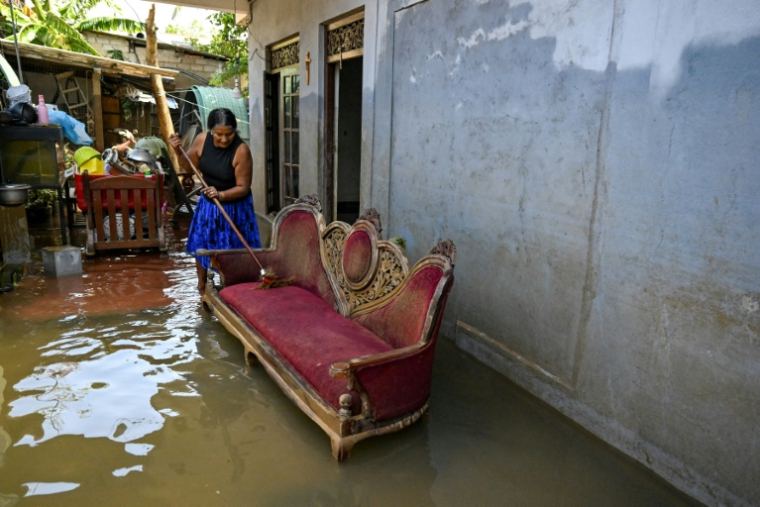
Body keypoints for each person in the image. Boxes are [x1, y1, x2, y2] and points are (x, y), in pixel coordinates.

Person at [169, 108, 261, 295]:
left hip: (235, 207)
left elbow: (242, 187)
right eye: (219, 134)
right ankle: (202, 287)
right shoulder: (202, 140)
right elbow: (188, 168)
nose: (224, 139)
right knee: (202, 245)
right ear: (211, 131)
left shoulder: (241, 151)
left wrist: (220, 195)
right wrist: (178, 152)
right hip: (208, 205)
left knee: (230, 252)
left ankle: (231, 291)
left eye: (229, 134)